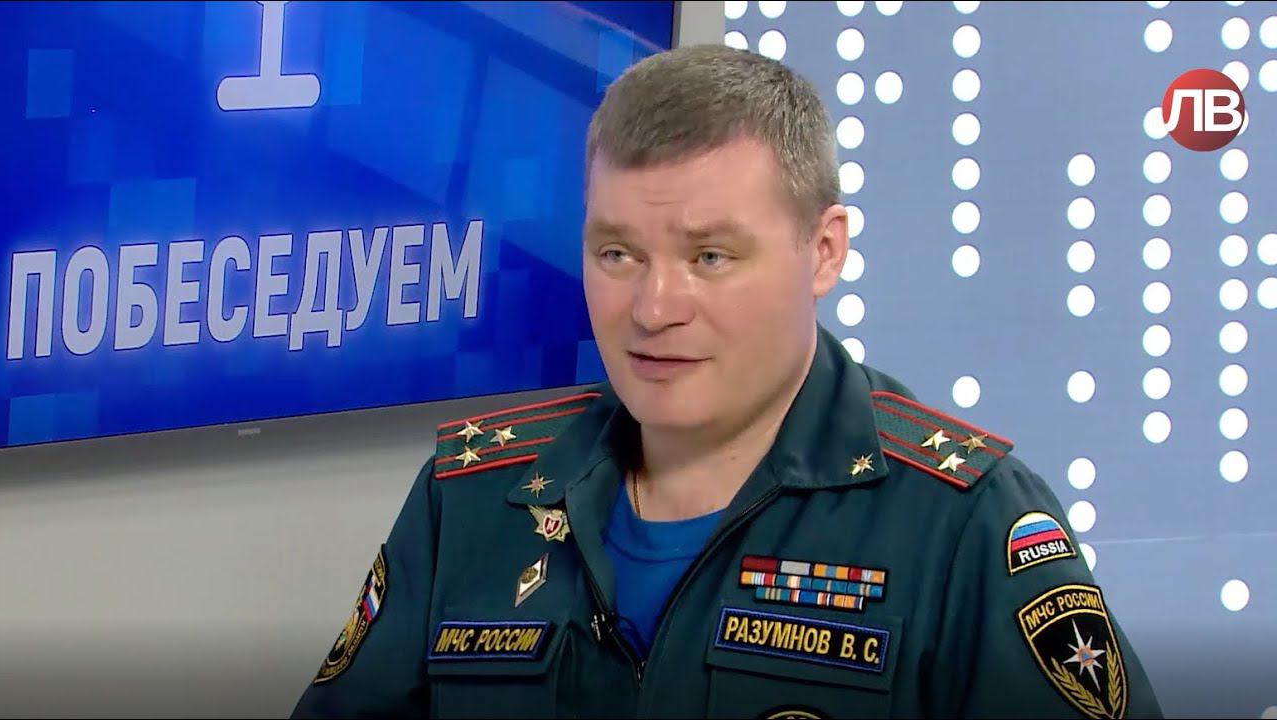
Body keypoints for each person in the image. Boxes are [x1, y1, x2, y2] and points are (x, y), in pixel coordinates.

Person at [291, 44, 1162, 719]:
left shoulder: (964, 521)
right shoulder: (471, 495)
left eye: (710, 257)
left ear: (824, 252)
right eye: (617, 254)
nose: (654, 308)